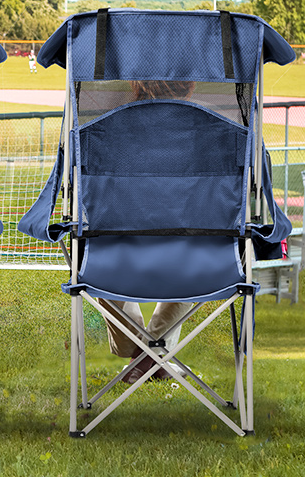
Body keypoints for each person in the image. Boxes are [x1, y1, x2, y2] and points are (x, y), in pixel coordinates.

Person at [101, 80, 200, 384]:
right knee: (205, 255)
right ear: (189, 86)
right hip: (193, 261)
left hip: (119, 257)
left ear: (136, 85)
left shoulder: (103, 130)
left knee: (94, 259)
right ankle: (154, 355)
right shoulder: (215, 132)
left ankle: (144, 354)